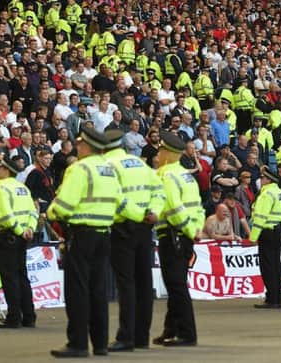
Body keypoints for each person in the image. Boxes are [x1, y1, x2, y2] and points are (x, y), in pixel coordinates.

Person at [48, 128, 135, 358]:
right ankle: (100, 344)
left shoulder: (79, 169)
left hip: (81, 234)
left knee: (78, 290)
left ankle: (77, 343)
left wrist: (51, 211)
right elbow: (121, 204)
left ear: (86, 146)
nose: (77, 146)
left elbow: (63, 207)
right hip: (104, 234)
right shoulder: (109, 170)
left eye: (80, 143)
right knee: (99, 291)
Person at [103, 130, 166, 352]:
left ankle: (126, 336)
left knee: (126, 284)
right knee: (143, 282)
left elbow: (113, 196)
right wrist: (154, 212)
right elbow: (159, 190)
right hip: (146, 225)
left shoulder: (108, 165)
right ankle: (141, 336)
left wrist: (133, 215)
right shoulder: (139, 164)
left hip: (123, 227)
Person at [153, 130, 204, 346]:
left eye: (161, 150)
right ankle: (170, 328)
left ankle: (186, 333)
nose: (158, 153)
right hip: (186, 235)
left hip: (173, 234)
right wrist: (196, 229)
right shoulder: (186, 175)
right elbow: (198, 208)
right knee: (177, 283)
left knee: (176, 285)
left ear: (168, 153)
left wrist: (187, 229)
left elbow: (174, 207)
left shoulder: (165, 175)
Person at [0, 157, 38, 329]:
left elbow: (4, 215)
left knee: (10, 278)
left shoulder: (1, 187)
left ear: (6, 170)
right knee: (22, 276)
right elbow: (33, 212)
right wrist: (29, 229)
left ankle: (14, 317)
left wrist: (18, 230)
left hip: (9, 236)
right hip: (23, 237)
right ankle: (29, 316)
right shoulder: (22, 188)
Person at [250, 166, 281, 309]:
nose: (261, 180)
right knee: (276, 265)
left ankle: (271, 299)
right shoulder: (280, 193)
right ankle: (278, 298)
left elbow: (260, 217)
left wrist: (253, 237)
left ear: (268, 179)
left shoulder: (266, 194)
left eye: (262, 178)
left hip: (267, 232)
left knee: (268, 267)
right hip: (277, 230)